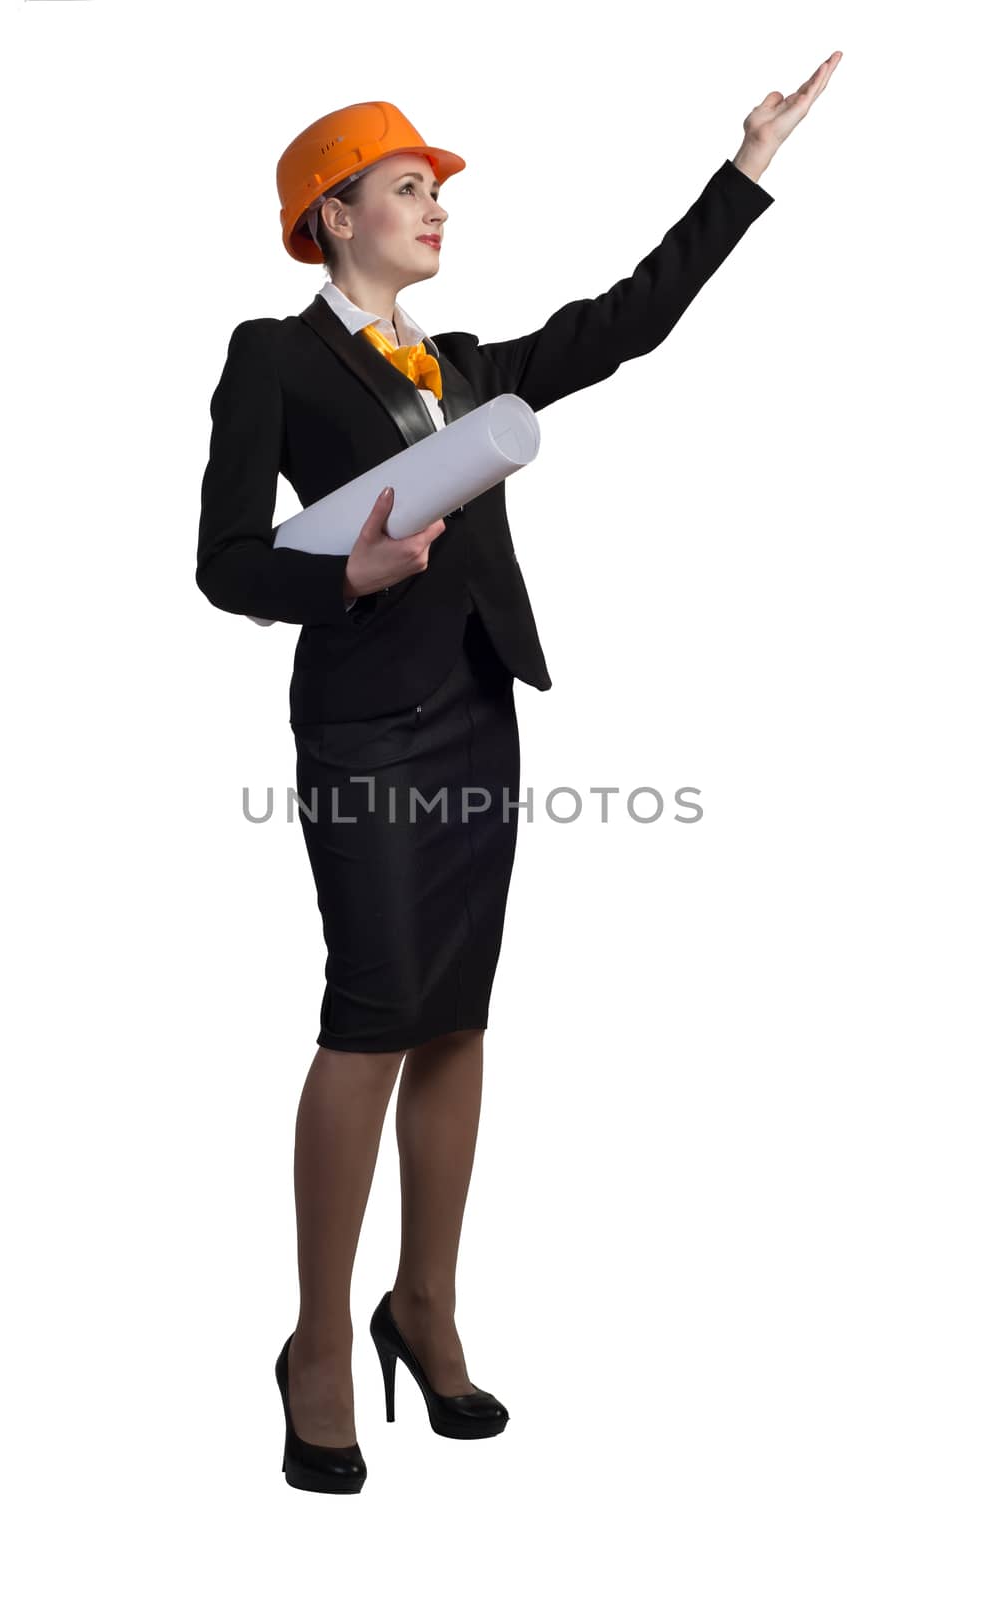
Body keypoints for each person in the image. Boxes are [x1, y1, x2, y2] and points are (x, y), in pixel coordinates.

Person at [196, 61, 842, 1496]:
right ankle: (315, 1346)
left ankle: (422, 1305)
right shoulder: (274, 357)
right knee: (369, 1020)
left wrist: (743, 168)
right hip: (364, 731)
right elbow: (222, 561)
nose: (436, 209)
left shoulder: (469, 365)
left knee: (457, 1023)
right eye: (409, 188)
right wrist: (344, 573)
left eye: (438, 190)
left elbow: (630, 325)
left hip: (480, 717)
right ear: (332, 217)